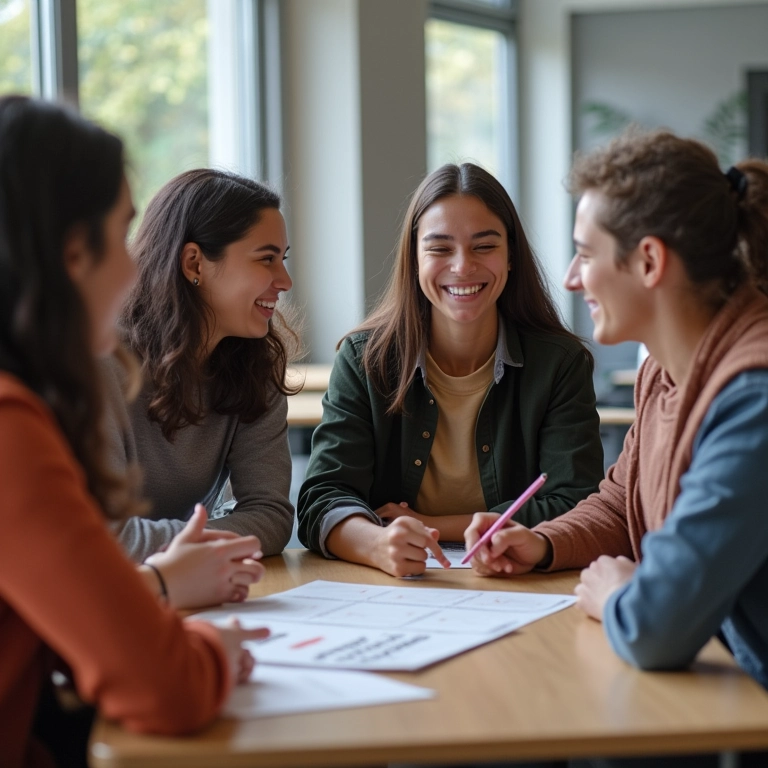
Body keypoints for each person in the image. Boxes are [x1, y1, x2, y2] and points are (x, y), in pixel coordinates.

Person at [464, 130, 768, 766]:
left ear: (650, 262)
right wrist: (543, 542)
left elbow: (657, 625)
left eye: (583, 254)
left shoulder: (754, 398)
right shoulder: (668, 362)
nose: (572, 278)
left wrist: (620, 592)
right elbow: (621, 498)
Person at [0, 95, 268, 768]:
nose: (132, 267)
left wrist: (158, 588)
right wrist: (215, 650)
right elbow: (167, 690)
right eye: (120, 235)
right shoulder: (9, 427)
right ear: (70, 254)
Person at [298, 163, 604, 577]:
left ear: (511, 256)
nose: (462, 266)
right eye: (440, 248)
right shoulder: (363, 358)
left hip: (519, 584)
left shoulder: (560, 364)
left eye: (484, 246)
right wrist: (376, 544)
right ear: (414, 259)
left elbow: (576, 502)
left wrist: (436, 527)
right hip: (389, 589)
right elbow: (322, 498)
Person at [105, 168, 298, 563]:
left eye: (283, 259)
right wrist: (219, 538)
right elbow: (104, 536)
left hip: (189, 588)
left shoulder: (255, 367)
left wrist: (180, 548)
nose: (285, 281)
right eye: (267, 259)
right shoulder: (101, 362)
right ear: (194, 263)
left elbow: (271, 517)